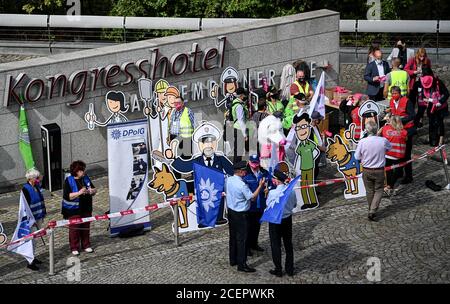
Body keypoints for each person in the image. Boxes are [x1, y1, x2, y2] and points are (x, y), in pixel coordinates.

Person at [168, 122, 234, 226]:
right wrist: (172, 158)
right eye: (204, 142)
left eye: (211, 142)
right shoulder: (197, 160)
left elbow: (232, 171)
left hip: (218, 193)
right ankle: (204, 220)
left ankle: (218, 218)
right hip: (203, 193)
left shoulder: (220, 159)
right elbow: (183, 167)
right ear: (199, 145)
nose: (208, 145)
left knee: (219, 202)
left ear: (216, 143)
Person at [226, 160, 265, 273]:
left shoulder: (229, 179)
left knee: (233, 237)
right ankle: (242, 264)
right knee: (242, 239)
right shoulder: (242, 185)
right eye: (244, 171)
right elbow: (252, 197)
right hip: (241, 214)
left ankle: (233, 259)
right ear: (241, 171)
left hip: (231, 211)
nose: (246, 172)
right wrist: (260, 186)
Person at [355, 120, 392, 221]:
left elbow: (357, 156)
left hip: (367, 170)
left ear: (366, 130)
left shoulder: (362, 142)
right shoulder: (383, 140)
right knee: (379, 189)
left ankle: (371, 209)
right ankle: (372, 210)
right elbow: (390, 148)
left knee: (369, 190)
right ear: (377, 130)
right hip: (379, 170)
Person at [62, 160, 97, 255]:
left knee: (86, 227)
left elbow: (94, 189)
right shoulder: (68, 180)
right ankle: (74, 247)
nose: (84, 172)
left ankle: (86, 245)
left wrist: (92, 191)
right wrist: (79, 193)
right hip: (73, 210)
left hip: (86, 207)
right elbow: (67, 196)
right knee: (74, 229)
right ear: (76, 171)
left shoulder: (86, 178)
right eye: (82, 170)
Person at [267, 169, 297, 277]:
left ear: (276, 180)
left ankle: (278, 269)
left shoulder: (272, 193)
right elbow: (294, 205)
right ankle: (289, 269)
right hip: (287, 219)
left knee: (276, 245)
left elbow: (269, 205)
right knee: (288, 244)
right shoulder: (291, 191)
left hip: (275, 220)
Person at [409, 66, 449, 146]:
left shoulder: (438, 82)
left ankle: (440, 140)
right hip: (430, 106)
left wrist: (440, 102)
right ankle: (432, 140)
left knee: (439, 122)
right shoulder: (420, 82)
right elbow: (413, 94)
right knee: (431, 122)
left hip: (440, 107)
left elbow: (446, 93)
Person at [387, 86, 416, 184]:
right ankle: (399, 172)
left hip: (407, 129)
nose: (394, 96)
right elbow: (392, 113)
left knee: (406, 154)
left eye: (395, 94)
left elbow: (412, 115)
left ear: (399, 93)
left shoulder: (407, 101)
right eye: (392, 94)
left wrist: (400, 120)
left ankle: (409, 176)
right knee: (398, 153)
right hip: (397, 130)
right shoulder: (391, 101)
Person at [243, 155, 270, 256]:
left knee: (257, 226)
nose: (255, 165)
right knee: (248, 228)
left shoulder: (264, 173)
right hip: (250, 206)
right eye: (253, 163)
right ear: (249, 162)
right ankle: (248, 247)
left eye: (256, 163)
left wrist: (269, 189)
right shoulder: (245, 174)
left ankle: (254, 244)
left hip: (260, 205)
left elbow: (271, 183)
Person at [21, 168, 46, 271]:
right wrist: (31, 220)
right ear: (30, 179)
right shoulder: (25, 189)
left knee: (35, 240)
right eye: (36, 178)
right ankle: (30, 262)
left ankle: (33, 257)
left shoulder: (36, 186)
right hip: (31, 220)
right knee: (31, 240)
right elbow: (25, 207)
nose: (38, 179)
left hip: (39, 217)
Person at [293, 113, 319, 210]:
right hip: (303, 168)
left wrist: (311, 159)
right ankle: (306, 202)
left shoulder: (310, 144)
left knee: (310, 184)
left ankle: (313, 201)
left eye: (304, 126)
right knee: (303, 185)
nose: (302, 131)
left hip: (310, 167)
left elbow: (316, 152)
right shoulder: (300, 146)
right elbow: (298, 155)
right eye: (298, 128)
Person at [379, 115, 408, 195]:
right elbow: (406, 140)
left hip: (387, 155)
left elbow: (381, 135)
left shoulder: (385, 129)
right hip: (398, 156)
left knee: (389, 172)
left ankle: (389, 186)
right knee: (398, 172)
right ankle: (390, 186)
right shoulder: (404, 132)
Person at [230, 87, 249, 162]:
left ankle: (236, 165)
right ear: (241, 95)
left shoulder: (235, 102)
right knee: (239, 149)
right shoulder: (239, 106)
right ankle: (237, 166)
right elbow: (241, 120)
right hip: (239, 129)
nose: (245, 96)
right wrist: (244, 134)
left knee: (237, 149)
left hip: (236, 127)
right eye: (244, 94)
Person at [309, 111, 327, 180]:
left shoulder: (315, 126)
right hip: (313, 154)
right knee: (314, 171)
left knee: (316, 170)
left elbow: (316, 137)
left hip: (318, 153)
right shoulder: (309, 129)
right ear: (315, 120)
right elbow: (311, 143)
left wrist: (321, 136)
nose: (320, 120)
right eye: (319, 119)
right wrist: (322, 148)